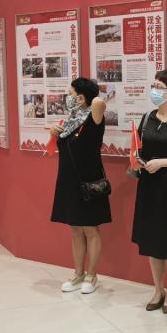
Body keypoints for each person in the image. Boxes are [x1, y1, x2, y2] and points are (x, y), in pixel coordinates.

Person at [132, 70, 167, 313]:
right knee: (152, 240)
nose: (153, 90)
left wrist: (163, 163)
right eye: (153, 85)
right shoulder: (147, 118)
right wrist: (136, 159)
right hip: (148, 185)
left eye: (159, 87)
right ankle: (157, 289)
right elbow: (137, 147)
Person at [50, 77, 111, 295]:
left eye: (71, 94)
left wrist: (89, 94)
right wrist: (54, 133)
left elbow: (99, 102)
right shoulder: (70, 121)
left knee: (90, 229)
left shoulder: (94, 117)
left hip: (89, 183)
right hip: (68, 182)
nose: (67, 98)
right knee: (75, 229)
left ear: (81, 97)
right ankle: (78, 273)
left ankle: (92, 275)